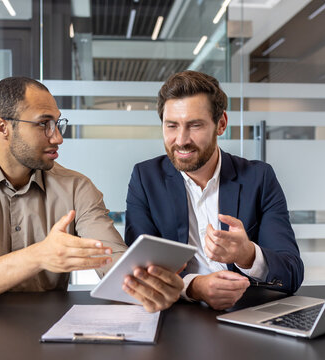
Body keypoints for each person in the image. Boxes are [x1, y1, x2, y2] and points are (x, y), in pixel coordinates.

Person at [0, 76, 183, 312]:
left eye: (57, 123)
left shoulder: (77, 187)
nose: (58, 137)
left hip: (47, 329)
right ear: (2, 127)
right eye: (43, 124)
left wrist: (146, 284)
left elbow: (112, 261)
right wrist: (40, 255)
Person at [125, 70, 304, 310]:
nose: (181, 140)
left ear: (221, 124)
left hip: (248, 314)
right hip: (177, 319)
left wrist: (247, 254)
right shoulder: (145, 179)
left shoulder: (259, 178)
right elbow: (141, 275)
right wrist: (195, 287)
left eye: (194, 125)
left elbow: (291, 273)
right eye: (171, 126)